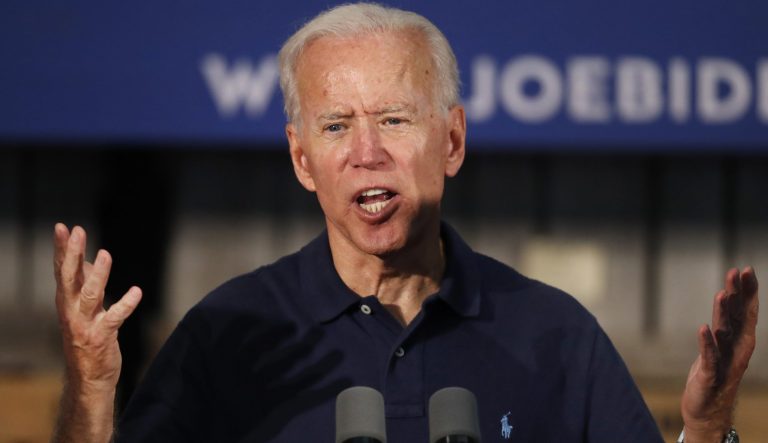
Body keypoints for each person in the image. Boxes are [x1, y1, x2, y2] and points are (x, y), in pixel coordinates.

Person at [51, 3, 759, 442]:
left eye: (394, 119)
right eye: (336, 126)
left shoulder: (555, 334)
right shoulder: (226, 334)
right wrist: (88, 392)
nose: (366, 153)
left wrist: (708, 425)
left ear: (451, 140)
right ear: (302, 159)